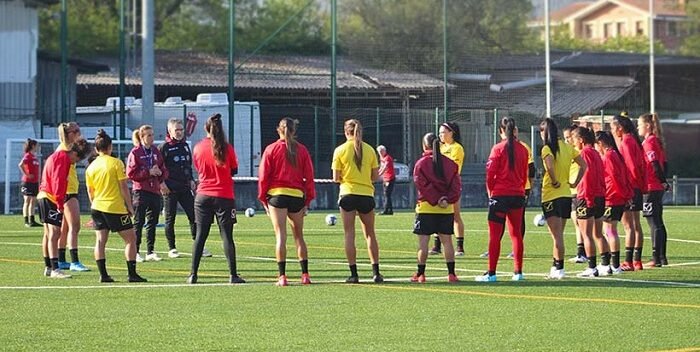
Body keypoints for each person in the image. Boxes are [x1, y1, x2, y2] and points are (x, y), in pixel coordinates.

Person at [188, 113, 245, 284]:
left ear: (206, 129)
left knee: (200, 235)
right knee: (227, 236)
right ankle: (233, 275)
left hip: (203, 195)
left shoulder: (198, 147)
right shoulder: (227, 148)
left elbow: (198, 168)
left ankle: (193, 274)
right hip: (224, 196)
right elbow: (234, 170)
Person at [258, 118, 316, 286]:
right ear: (293, 131)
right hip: (296, 196)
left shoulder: (271, 149)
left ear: (279, 130)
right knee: (299, 237)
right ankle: (305, 275)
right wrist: (308, 200)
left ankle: (282, 276)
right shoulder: (302, 150)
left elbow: (263, 176)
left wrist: (263, 198)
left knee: (280, 237)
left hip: (277, 196)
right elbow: (309, 177)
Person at [86, 130, 147, 283]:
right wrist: (130, 206)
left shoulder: (91, 167)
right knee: (131, 239)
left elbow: (90, 191)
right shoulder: (116, 163)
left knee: (100, 241)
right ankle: (132, 274)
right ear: (110, 147)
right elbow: (123, 187)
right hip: (114, 207)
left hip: (97, 207)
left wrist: (94, 206)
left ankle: (103, 275)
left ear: (96, 149)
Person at [476, 117, 529, 282]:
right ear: (515, 131)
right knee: (516, 235)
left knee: (494, 235)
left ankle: (491, 273)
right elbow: (525, 174)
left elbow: (490, 174)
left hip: (500, 195)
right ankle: (518, 272)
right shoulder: (524, 149)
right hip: (518, 195)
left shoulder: (497, 148)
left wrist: (490, 192)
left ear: (501, 131)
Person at [332, 119, 383, 283]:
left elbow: (335, 178)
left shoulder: (339, 150)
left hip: (347, 193)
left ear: (345, 132)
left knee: (349, 234)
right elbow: (375, 176)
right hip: (366, 195)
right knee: (370, 234)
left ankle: (354, 274)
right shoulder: (370, 150)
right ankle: (376, 272)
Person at [159, 118, 213, 259]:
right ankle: (172, 248)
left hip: (184, 187)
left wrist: (191, 180)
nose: (179, 132)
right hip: (170, 189)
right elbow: (159, 167)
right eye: (176, 130)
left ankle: (199, 245)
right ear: (170, 131)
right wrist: (162, 183)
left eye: (181, 130)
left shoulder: (185, 146)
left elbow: (188, 165)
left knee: (194, 216)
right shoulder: (164, 147)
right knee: (170, 219)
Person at [539, 118, 586, 280]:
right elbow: (583, 165)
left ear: (545, 132)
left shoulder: (547, 148)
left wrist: (553, 180)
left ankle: (559, 268)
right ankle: (555, 266)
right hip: (566, 194)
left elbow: (550, 165)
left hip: (552, 195)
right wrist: (574, 182)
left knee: (556, 236)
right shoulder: (567, 147)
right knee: (559, 234)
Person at [411, 133, 461, 283]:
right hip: (446, 209)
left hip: (426, 208)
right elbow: (456, 186)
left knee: (423, 243)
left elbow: (421, 185)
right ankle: (451, 274)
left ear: (424, 146)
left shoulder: (420, 164)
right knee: (447, 242)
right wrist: (446, 199)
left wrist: (435, 199)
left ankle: (420, 274)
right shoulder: (451, 164)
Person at [480, 126, 534, 259]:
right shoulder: (520, 148)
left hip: (504, 191)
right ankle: (517, 270)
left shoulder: (509, 148)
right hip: (518, 190)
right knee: (513, 227)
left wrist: (490, 191)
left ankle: (493, 267)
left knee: (507, 226)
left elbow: (530, 169)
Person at [38, 138, 90, 278]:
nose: (76, 162)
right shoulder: (62, 159)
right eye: (77, 158)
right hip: (50, 197)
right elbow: (58, 182)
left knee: (50, 234)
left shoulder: (59, 156)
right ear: (73, 152)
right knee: (55, 233)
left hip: (45, 195)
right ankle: (55, 269)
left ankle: (49, 267)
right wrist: (60, 204)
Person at [571, 127, 610, 277]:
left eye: (574, 140)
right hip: (599, 196)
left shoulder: (585, 153)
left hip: (587, 196)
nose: (573, 143)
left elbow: (587, 177)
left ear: (581, 140)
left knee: (586, 234)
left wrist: (587, 198)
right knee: (598, 233)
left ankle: (592, 267)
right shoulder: (595, 152)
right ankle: (606, 265)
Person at [611, 114, 647, 271]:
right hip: (636, 187)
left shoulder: (626, 142)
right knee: (635, 225)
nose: (612, 132)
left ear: (619, 129)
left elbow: (631, 167)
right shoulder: (633, 140)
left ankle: (628, 261)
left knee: (628, 226)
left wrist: (629, 188)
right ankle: (637, 261)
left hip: (630, 188)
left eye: (612, 128)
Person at [127, 125, 168, 262]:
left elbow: (163, 168)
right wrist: (148, 172)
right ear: (142, 137)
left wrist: (160, 174)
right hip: (141, 190)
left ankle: (150, 251)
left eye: (152, 134)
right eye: (149, 135)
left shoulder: (156, 151)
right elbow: (131, 173)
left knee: (152, 221)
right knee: (138, 222)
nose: (152, 138)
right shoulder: (135, 153)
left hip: (154, 190)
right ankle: (136, 251)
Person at [595, 131, 631, 275]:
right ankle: (612, 264)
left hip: (612, 197)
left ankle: (614, 265)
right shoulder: (615, 154)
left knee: (610, 230)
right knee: (609, 230)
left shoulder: (609, 156)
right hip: (617, 197)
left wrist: (621, 194)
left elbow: (614, 177)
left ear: (600, 143)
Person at [55, 122, 90, 272]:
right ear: (67, 134)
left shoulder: (69, 148)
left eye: (78, 130)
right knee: (75, 226)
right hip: (67, 191)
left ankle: (61, 259)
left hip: (70, 190)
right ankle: (74, 260)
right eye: (75, 131)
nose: (78, 133)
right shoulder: (64, 150)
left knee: (65, 228)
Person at [638, 113, 669, 267]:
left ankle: (656, 258)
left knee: (653, 222)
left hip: (651, 187)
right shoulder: (657, 142)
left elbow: (655, 164)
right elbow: (665, 163)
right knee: (658, 222)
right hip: (657, 187)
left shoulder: (649, 143)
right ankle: (662, 257)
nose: (638, 127)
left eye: (640, 124)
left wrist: (662, 181)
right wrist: (664, 182)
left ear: (648, 126)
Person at [430, 122, 465, 256]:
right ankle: (437, 245)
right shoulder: (439, 147)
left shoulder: (457, 148)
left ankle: (460, 246)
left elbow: (454, 167)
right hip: (438, 185)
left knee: (455, 215)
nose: (440, 135)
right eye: (439, 133)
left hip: (452, 185)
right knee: (437, 214)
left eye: (443, 132)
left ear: (451, 133)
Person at [563, 124, 587, 264]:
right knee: (577, 223)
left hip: (580, 191)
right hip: (571, 191)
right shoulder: (568, 152)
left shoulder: (580, 152)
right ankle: (581, 252)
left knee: (584, 223)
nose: (567, 141)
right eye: (565, 138)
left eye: (569, 137)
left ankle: (588, 252)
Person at [19, 138, 41, 227]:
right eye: (37, 145)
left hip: (35, 182)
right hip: (27, 182)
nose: (38, 147)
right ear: (33, 146)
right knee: (27, 200)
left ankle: (32, 220)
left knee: (33, 201)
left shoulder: (34, 157)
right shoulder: (27, 156)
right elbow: (20, 165)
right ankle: (26, 221)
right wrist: (26, 174)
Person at [376, 145, 395, 215]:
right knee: (386, 195)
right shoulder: (382, 158)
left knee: (387, 194)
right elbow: (381, 167)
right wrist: (377, 173)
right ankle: (389, 210)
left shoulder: (387, 158)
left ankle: (386, 210)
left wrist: (378, 175)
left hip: (390, 178)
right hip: (385, 178)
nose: (380, 153)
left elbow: (385, 168)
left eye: (381, 151)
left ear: (384, 151)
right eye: (379, 152)